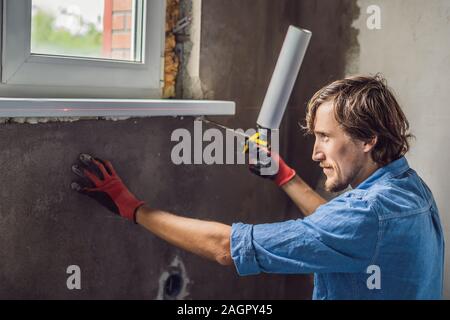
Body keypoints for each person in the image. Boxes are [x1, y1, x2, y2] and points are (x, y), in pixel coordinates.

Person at [71, 75, 444, 300]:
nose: (315, 153)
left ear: (368, 140)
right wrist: (284, 175)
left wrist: (132, 207)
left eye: (325, 138)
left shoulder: (369, 214)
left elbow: (226, 249)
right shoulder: (408, 188)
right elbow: (338, 230)